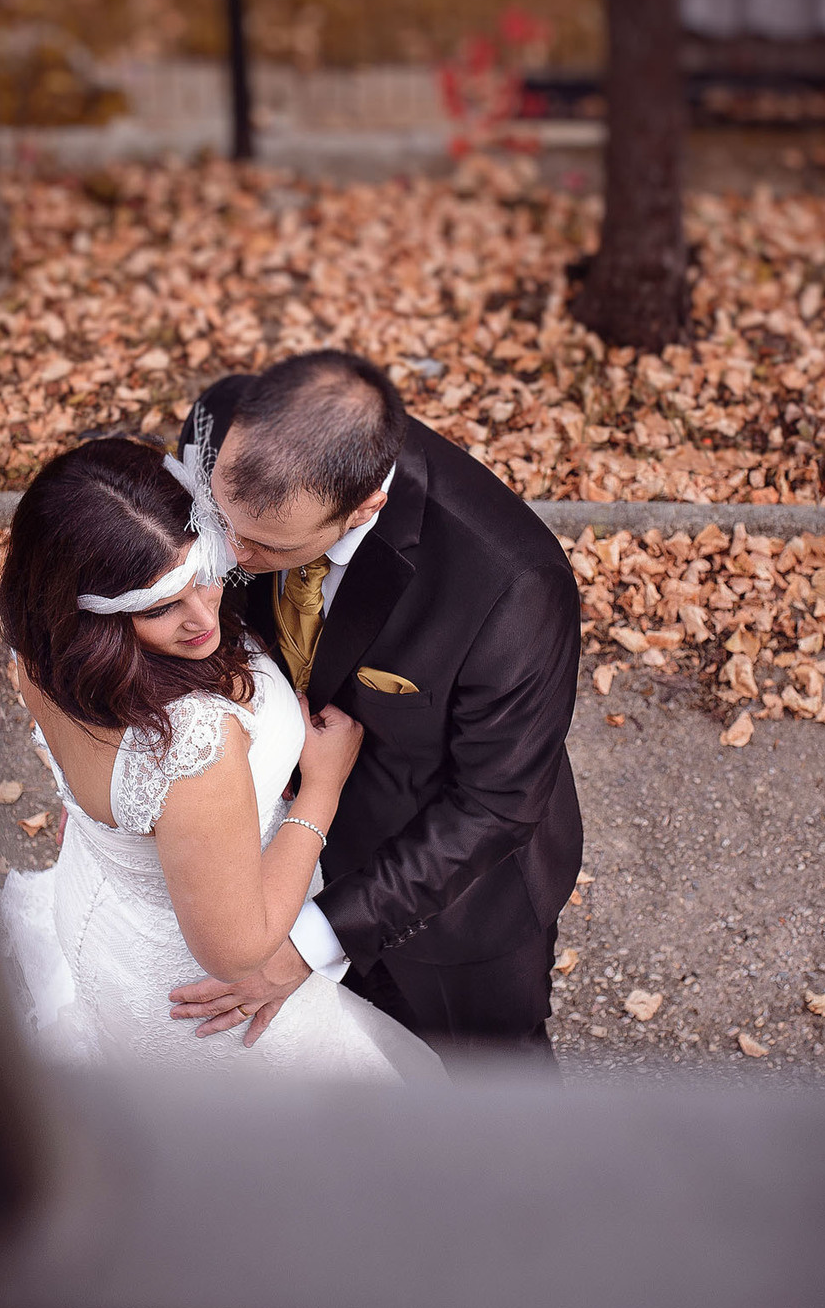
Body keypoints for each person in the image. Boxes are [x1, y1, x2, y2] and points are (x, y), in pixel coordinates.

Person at [0, 436, 440, 1083]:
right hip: (212, 1005)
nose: (203, 618)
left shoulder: (45, 653)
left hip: (108, 912)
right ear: (94, 614)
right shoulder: (195, 741)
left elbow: (107, 789)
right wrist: (321, 789)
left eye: (206, 575)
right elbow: (238, 952)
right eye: (160, 607)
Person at [167, 350, 582, 1060]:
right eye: (218, 519)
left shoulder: (511, 584)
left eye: (265, 545)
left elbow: (495, 805)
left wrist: (309, 943)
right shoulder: (217, 422)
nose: (225, 555)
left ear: (365, 508)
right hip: (276, 847)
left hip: (450, 900)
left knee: (491, 1085)